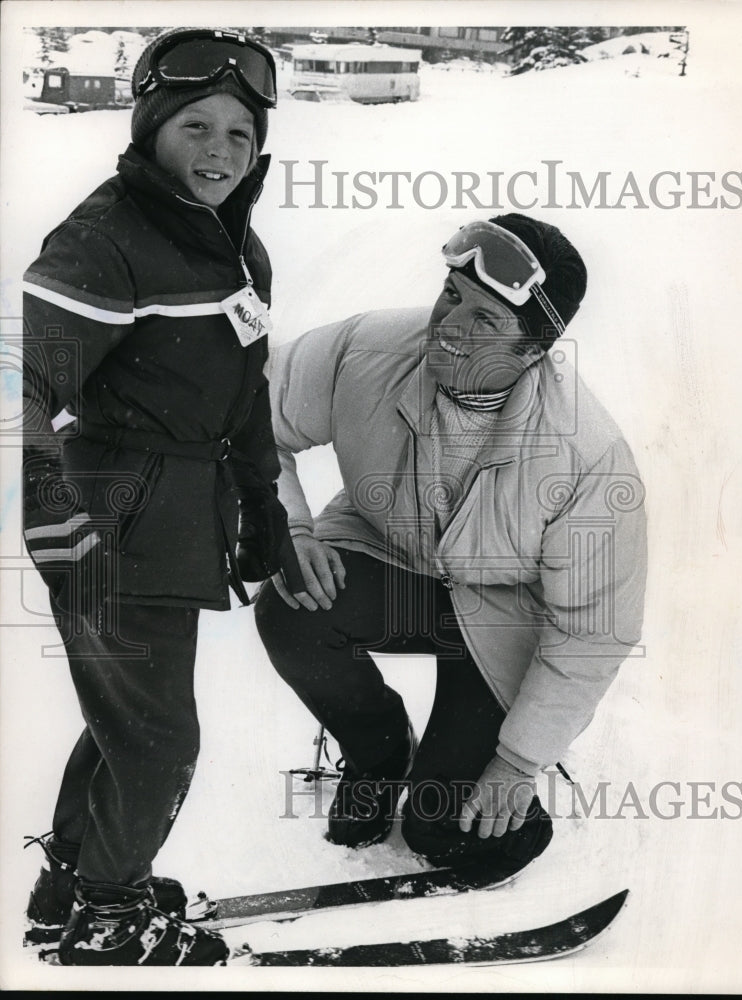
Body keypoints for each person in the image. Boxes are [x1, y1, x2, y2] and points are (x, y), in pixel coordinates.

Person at [22, 28, 302, 966]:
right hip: (110, 528)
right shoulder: (104, 240)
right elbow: (22, 383)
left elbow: (245, 386)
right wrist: (60, 528)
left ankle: (74, 878)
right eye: (195, 126)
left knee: (127, 725)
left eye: (239, 132)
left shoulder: (231, 245)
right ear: (150, 129)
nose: (220, 150)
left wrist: (260, 501)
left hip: (181, 518)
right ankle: (109, 914)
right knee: (158, 742)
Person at [255, 215, 647, 874]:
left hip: (502, 616)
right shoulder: (368, 348)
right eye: (451, 294)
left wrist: (517, 762)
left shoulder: (587, 455)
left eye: (486, 322)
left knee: (443, 832)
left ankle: (463, 781)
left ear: (532, 351)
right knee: (292, 607)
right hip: (388, 554)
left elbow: (593, 632)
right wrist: (291, 528)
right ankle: (377, 756)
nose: (449, 324)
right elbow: (251, 423)